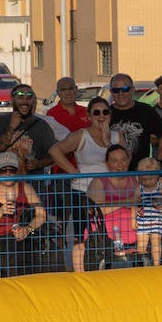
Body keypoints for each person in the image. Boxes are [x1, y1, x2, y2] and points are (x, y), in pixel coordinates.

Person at [50, 97, 120, 251]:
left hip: (109, 193)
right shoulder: (81, 135)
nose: (101, 116)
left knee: (110, 234)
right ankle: (80, 272)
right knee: (81, 235)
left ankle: (107, 268)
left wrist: (108, 142)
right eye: (96, 113)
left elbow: (125, 161)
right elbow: (55, 150)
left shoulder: (117, 136)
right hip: (83, 192)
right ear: (89, 116)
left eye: (105, 112)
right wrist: (72, 171)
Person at [0, 151, 48, 278]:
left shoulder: (25, 188)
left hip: (25, 239)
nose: (8, 174)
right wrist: (0, 212)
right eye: (3, 170)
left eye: (12, 170)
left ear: (18, 171)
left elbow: (41, 215)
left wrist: (28, 229)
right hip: (1, 242)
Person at [76, 145, 140, 270]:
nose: (120, 165)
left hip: (135, 222)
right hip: (107, 227)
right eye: (114, 161)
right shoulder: (99, 181)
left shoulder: (136, 178)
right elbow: (97, 210)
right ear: (107, 163)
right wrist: (126, 202)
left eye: (123, 160)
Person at [106, 73, 162, 169]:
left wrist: (157, 162)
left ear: (133, 89)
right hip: (113, 175)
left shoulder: (145, 110)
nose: (121, 93)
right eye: (116, 90)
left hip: (140, 175)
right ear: (111, 92)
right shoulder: (105, 114)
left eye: (125, 89)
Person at [0, 83, 57, 173]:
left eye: (29, 98)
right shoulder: (0, 121)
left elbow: (53, 156)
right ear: (13, 100)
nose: (25, 101)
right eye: (20, 97)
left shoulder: (42, 125)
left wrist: (38, 163)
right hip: (5, 181)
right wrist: (11, 128)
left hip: (32, 182)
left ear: (34, 101)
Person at [134, 157, 162, 266]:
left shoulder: (161, 188)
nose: (147, 182)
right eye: (144, 179)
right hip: (143, 219)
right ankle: (143, 263)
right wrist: (133, 219)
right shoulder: (139, 189)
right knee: (141, 243)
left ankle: (156, 264)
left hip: (157, 218)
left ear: (157, 176)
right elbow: (134, 203)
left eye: (150, 179)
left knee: (156, 240)